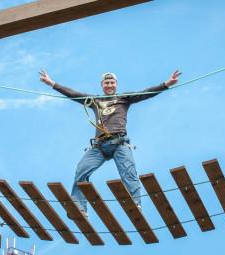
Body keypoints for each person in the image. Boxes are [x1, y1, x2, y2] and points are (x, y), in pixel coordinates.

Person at [39, 69, 182, 217]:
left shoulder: (124, 98)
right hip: (99, 146)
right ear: (102, 85)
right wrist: (52, 83)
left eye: (112, 83)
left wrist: (166, 84)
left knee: (129, 172)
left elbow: (146, 93)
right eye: (106, 83)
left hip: (119, 143)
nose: (109, 85)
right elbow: (73, 94)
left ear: (116, 85)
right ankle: (79, 208)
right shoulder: (94, 100)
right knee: (81, 170)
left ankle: (135, 203)